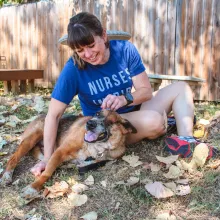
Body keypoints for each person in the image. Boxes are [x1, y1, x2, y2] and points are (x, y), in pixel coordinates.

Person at [30, 12, 195, 176]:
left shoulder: (125, 50)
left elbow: (146, 92)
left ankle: (186, 142)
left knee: (181, 87)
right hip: (105, 126)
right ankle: (165, 122)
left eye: (91, 46)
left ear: (103, 35)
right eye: (80, 50)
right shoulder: (73, 69)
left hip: (134, 110)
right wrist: (48, 158)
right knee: (155, 121)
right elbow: (53, 115)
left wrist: (124, 99)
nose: (87, 54)